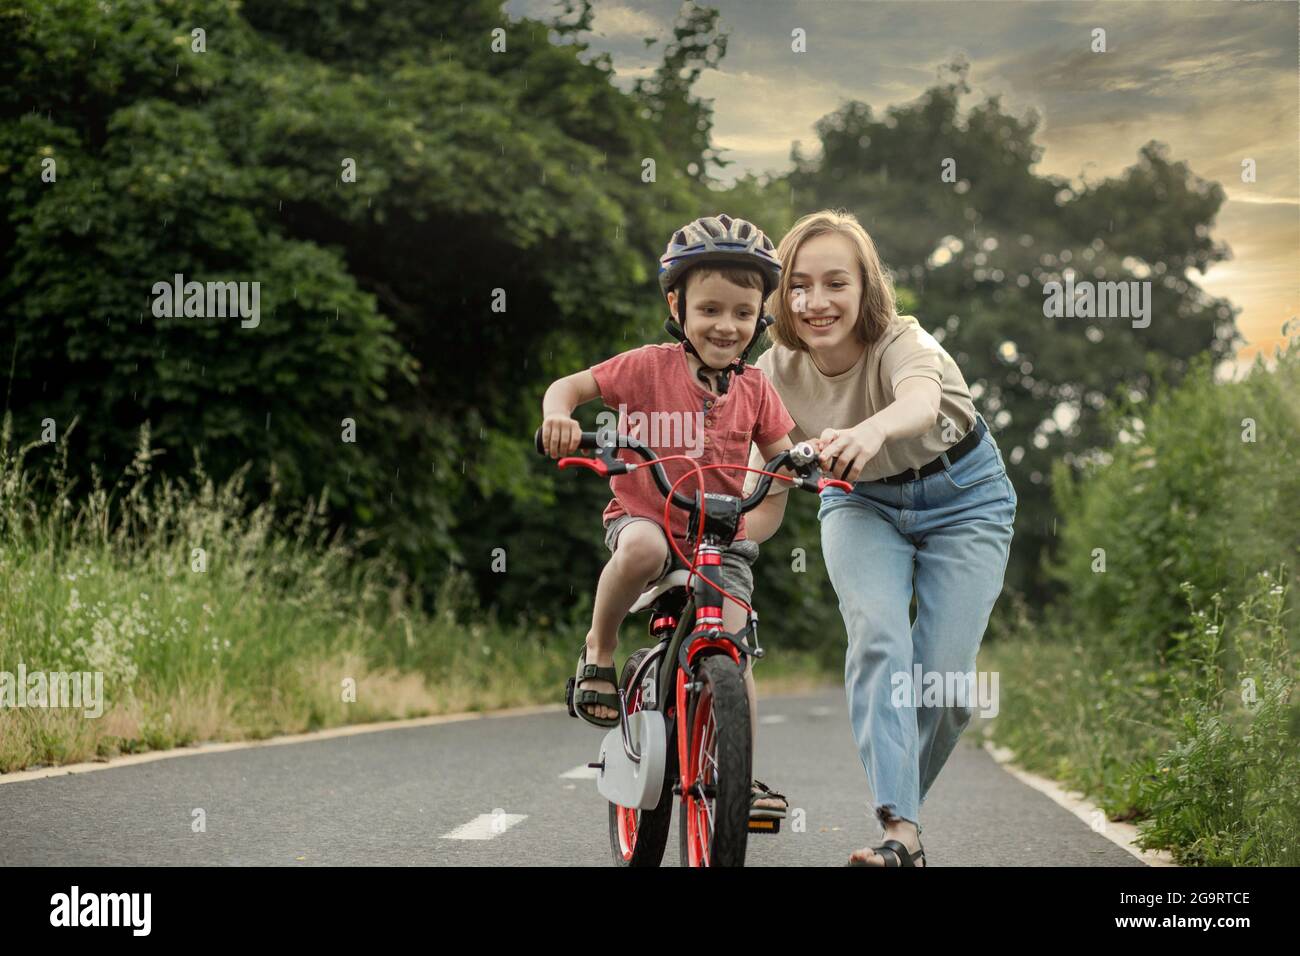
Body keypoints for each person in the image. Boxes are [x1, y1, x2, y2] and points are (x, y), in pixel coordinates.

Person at [743, 209, 1017, 866]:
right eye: (799, 285)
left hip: (965, 498)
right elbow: (765, 492)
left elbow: (919, 404)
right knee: (878, 640)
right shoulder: (772, 372)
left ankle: (903, 818)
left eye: (836, 282)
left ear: (866, 286)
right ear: (781, 295)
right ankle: (900, 833)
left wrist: (869, 432)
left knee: (946, 688)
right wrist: (719, 542)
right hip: (858, 502)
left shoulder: (904, 341)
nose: (815, 301)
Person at [539, 214, 798, 820]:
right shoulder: (645, 367)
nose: (726, 325)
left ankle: (737, 776)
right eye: (710, 309)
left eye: (742, 312)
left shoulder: (757, 389)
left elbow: (784, 455)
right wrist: (558, 417)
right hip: (643, 516)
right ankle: (599, 651)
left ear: (760, 317)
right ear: (677, 306)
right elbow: (567, 388)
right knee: (645, 548)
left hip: (717, 541)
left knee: (734, 644)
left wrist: (805, 467)